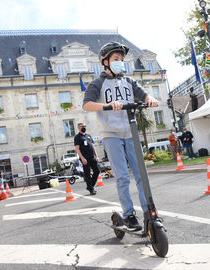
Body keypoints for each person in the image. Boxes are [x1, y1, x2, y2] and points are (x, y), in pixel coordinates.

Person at [82, 41, 158, 231]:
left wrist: (150, 99)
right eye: (116, 59)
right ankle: (129, 215)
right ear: (105, 62)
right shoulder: (97, 83)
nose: (120, 62)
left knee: (141, 174)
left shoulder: (129, 81)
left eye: (122, 59)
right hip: (111, 134)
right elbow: (87, 104)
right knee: (122, 176)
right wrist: (108, 105)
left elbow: (143, 94)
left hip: (130, 132)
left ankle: (149, 211)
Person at [74, 122, 100, 195]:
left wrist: (97, 156)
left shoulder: (88, 136)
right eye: (82, 126)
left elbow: (93, 146)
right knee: (87, 174)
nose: (84, 127)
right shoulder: (77, 137)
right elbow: (77, 149)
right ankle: (91, 189)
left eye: (85, 126)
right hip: (85, 158)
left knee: (97, 171)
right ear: (79, 127)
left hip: (92, 157)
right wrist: (82, 158)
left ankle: (90, 186)